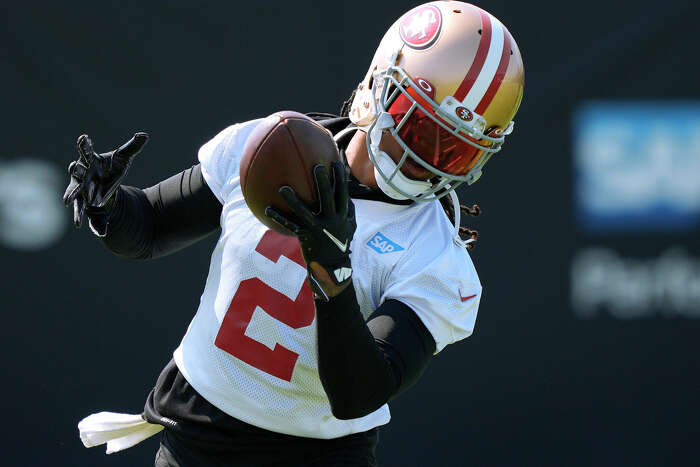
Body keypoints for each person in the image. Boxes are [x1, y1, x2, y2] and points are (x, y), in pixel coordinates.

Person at [67, 2, 524, 466]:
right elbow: (148, 229)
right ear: (377, 87)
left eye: (455, 153)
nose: (427, 162)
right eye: (422, 131)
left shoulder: (436, 258)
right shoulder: (272, 148)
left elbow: (358, 394)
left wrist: (333, 275)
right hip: (194, 436)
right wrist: (109, 204)